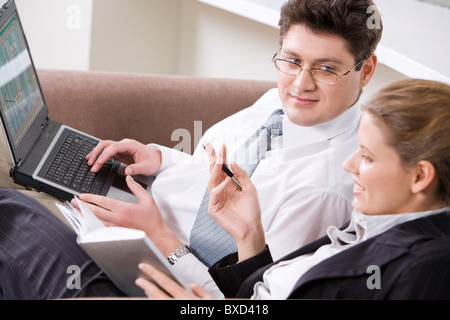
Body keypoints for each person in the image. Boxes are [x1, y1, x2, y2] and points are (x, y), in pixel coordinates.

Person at [0, 0, 381, 299]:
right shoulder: (276, 104)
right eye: (293, 60)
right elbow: (209, 174)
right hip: (131, 202)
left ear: (365, 71)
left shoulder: (325, 188)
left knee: (9, 209)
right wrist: (161, 159)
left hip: (141, 261)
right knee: (14, 150)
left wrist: (158, 234)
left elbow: (242, 294)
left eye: (326, 69)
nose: (301, 83)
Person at [135, 78, 450, 299]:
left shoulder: (427, 266)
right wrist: (249, 235)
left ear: (420, 176)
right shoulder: (368, 224)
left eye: (367, 157)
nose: (349, 164)